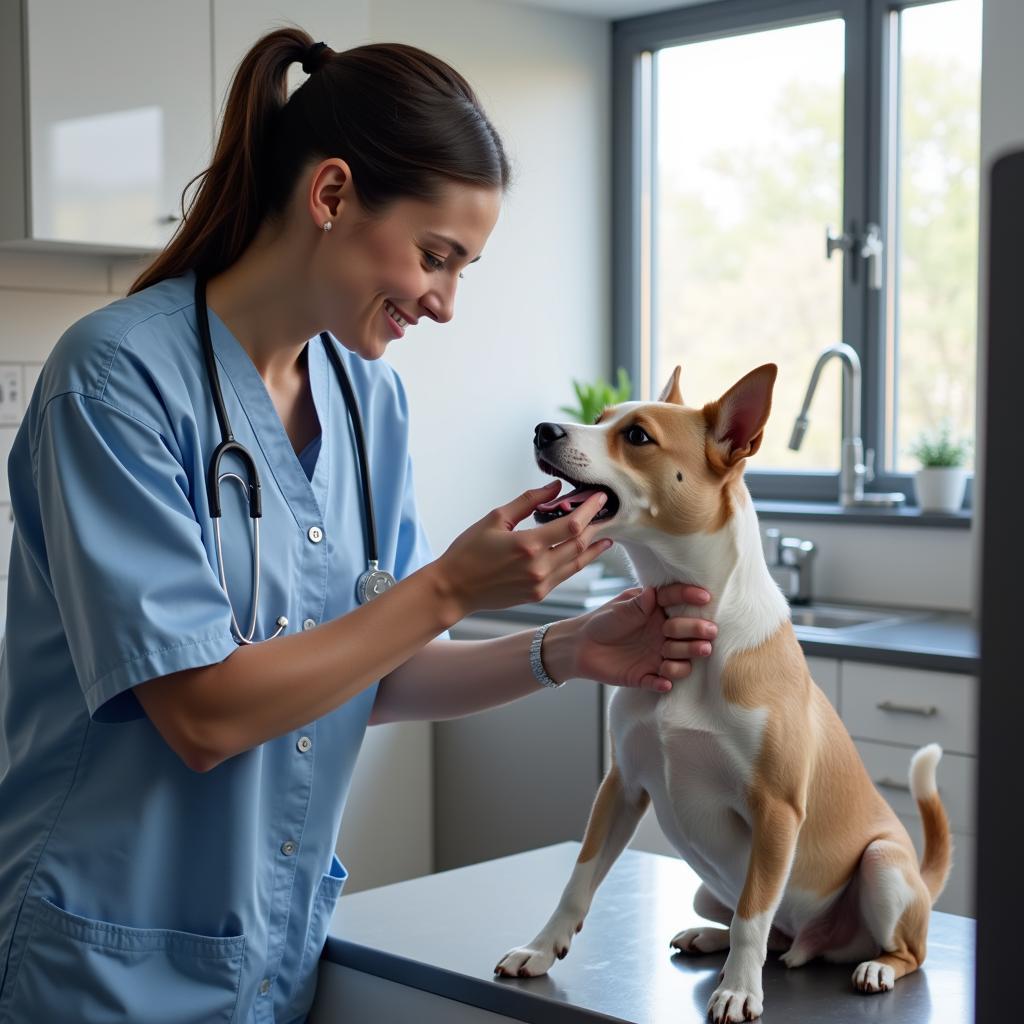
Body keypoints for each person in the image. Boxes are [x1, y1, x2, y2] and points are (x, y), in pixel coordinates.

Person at [0, 28, 716, 1024]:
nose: (446, 301)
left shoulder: (366, 404)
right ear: (331, 196)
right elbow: (204, 716)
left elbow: (362, 676)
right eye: (436, 256)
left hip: (267, 960)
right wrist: (453, 587)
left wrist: (569, 648)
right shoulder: (114, 382)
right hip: (104, 967)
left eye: (463, 269)